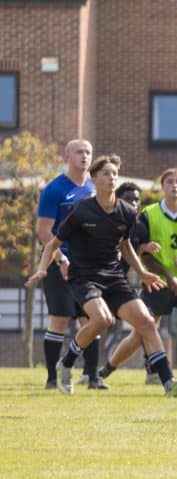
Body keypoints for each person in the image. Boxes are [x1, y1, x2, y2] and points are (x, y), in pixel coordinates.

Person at [26, 154, 177, 397]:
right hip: (83, 276)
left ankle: (169, 384)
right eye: (106, 174)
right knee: (103, 320)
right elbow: (54, 243)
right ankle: (66, 363)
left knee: (147, 322)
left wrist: (143, 272)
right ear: (94, 179)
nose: (111, 177)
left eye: (114, 174)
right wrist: (43, 268)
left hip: (114, 277)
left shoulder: (127, 211)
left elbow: (125, 246)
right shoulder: (82, 210)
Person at [99, 168, 177, 385]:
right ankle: (106, 370)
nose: (174, 186)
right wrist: (164, 271)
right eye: (170, 182)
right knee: (140, 334)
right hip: (157, 282)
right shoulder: (148, 214)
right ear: (162, 187)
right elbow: (138, 252)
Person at [31, 139, 103, 390]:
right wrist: (61, 259)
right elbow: (44, 231)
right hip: (57, 262)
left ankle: (92, 377)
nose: (85, 156)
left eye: (88, 152)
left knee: (91, 318)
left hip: (87, 266)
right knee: (60, 319)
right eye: (79, 152)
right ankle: (53, 378)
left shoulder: (95, 188)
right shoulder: (54, 190)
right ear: (67, 157)